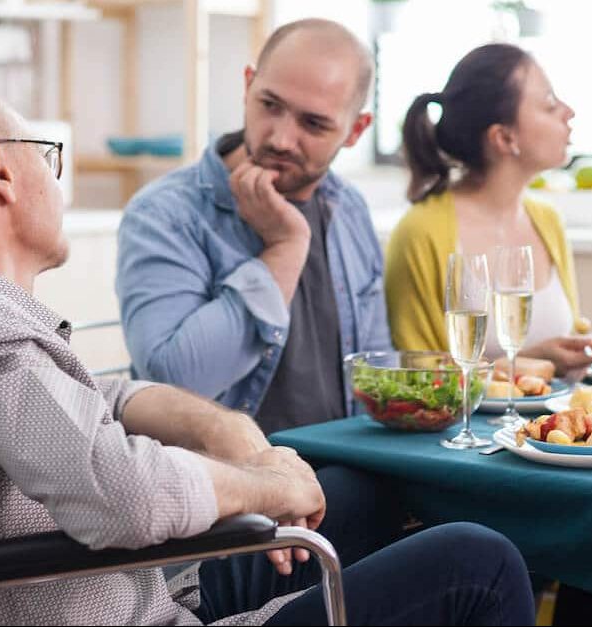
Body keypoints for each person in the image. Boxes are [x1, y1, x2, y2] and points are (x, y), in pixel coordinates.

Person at [0, 86, 534, 626]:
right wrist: (259, 487)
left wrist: (230, 436)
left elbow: (99, 397)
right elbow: (121, 494)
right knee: (480, 560)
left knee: (360, 492)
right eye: (47, 157)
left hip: (113, 584)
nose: (55, 183)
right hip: (116, 605)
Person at [117, 19, 391, 435]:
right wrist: (284, 247)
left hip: (347, 464)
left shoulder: (348, 208)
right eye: (270, 105)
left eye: (313, 124)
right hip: (230, 484)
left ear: (355, 130)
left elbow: (376, 370)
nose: (281, 138)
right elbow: (173, 384)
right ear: (248, 86)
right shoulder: (165, 214)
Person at [384, 43, 592, 380]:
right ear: (505, 138)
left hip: (548, 431)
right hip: (468, 433)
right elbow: (419, 378)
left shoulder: (546, 220)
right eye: (549, 105)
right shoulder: (420, 232)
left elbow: (561, 353)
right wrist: (526, 363)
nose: (568, 112)